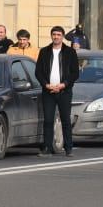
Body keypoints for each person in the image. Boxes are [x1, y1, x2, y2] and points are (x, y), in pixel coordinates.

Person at [34, 26, 79, 157]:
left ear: (63, 36)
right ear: (51, 36)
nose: (56, 37)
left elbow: (75, 73)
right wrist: (46, 85)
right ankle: (47, 148)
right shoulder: (44, 52)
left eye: (59, 34)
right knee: (48, 120)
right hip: (48, 91)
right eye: (54, 34)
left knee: (65, 119)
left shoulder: (70, 52)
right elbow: (38, 72)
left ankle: (68, 148)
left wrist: (63, 84)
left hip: (64, 91)